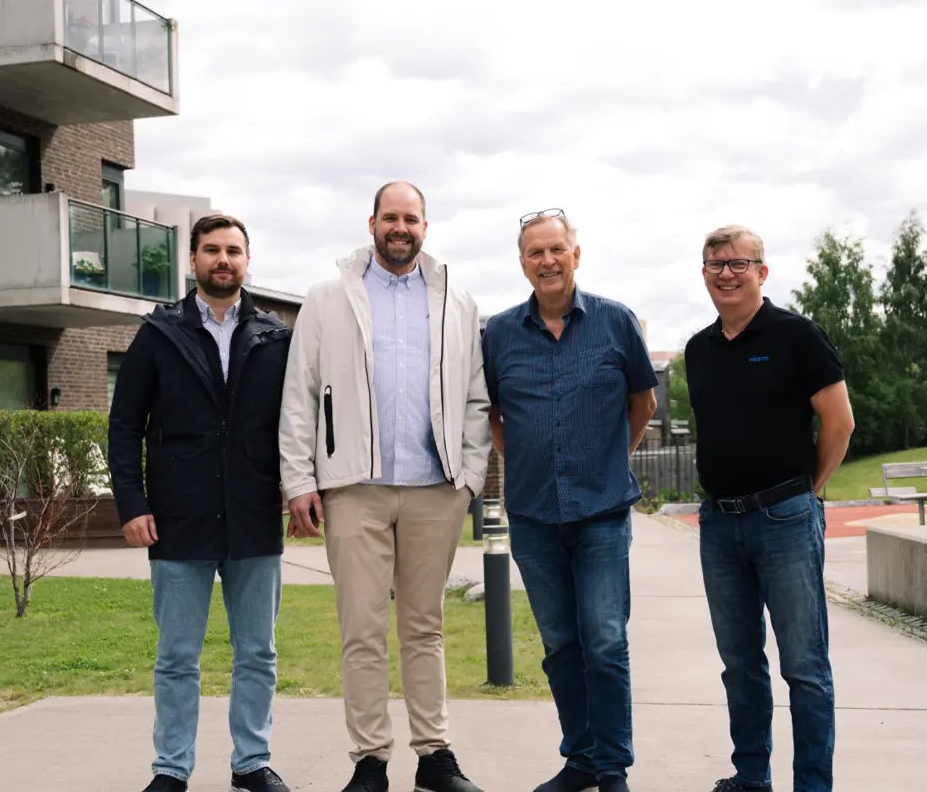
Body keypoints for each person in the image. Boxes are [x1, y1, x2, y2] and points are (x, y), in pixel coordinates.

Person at [278, 181, 492, 792]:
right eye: (391, 217)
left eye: (412, 218)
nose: (401, 228)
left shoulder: (458, 301)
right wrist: (300, 479)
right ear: (371, 222)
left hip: (435, 489)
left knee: (424, 627)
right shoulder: (327, 299)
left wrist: (469, 479)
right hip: (354, 490)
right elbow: (301, 395)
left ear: (426, 226)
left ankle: (434, 757)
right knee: (362, 630)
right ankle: (370, 760)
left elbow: (477, 399)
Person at [109, 213, 294, 792]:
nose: (223, 260)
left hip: (255, 514)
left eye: (234, 251)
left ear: (247, 261)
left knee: (258, 653)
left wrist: (303, 491)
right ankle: (171, 769)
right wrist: (132, 504)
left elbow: (300, 424)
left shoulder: (275, 336)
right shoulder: (157, 334)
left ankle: (251, 763)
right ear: (193, 260)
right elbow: (123, 427)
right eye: (212, 250)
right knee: (176, 657)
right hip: (177, 518)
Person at [481, 208, 659, 792]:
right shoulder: (500, 334)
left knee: (604, 642)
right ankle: (580, 758)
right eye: (535, 252)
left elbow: (643, 405)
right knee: (560, 646)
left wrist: (609, 460)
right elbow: (494, 418)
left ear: (575, 255)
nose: (547, 260)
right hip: (533, 516)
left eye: (557, 249)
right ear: (523, 263)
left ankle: (610, 766)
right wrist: (523, 464)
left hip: (602, 512)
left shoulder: (616, 322)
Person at [683, 225, 855, 792]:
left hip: (785, 518)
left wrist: (809, 489)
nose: (726, 274)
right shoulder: (698, 350)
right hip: (718, 524)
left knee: (804, 666)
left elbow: (840, 422)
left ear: (762, 271)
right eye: (715, 265)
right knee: (740, 665)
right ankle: (750, 776)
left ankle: (812, 785)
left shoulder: (797, 336)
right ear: (703, 274)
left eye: (738, 263)